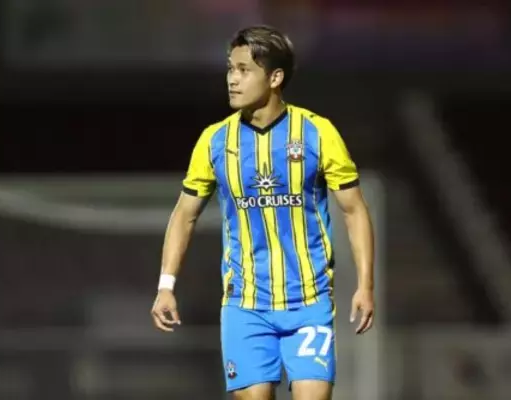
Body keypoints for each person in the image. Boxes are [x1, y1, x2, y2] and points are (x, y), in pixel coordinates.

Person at [151, 25, 375, 400]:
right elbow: (184, 215)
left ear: (275, 78)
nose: (232, 79)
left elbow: (354, 210)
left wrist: (365, 286)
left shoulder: (318, 133)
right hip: (245, 306)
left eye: (244, 70)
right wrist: (165, 287)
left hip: (309, 303)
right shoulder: (214, 141)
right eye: (230, 69)